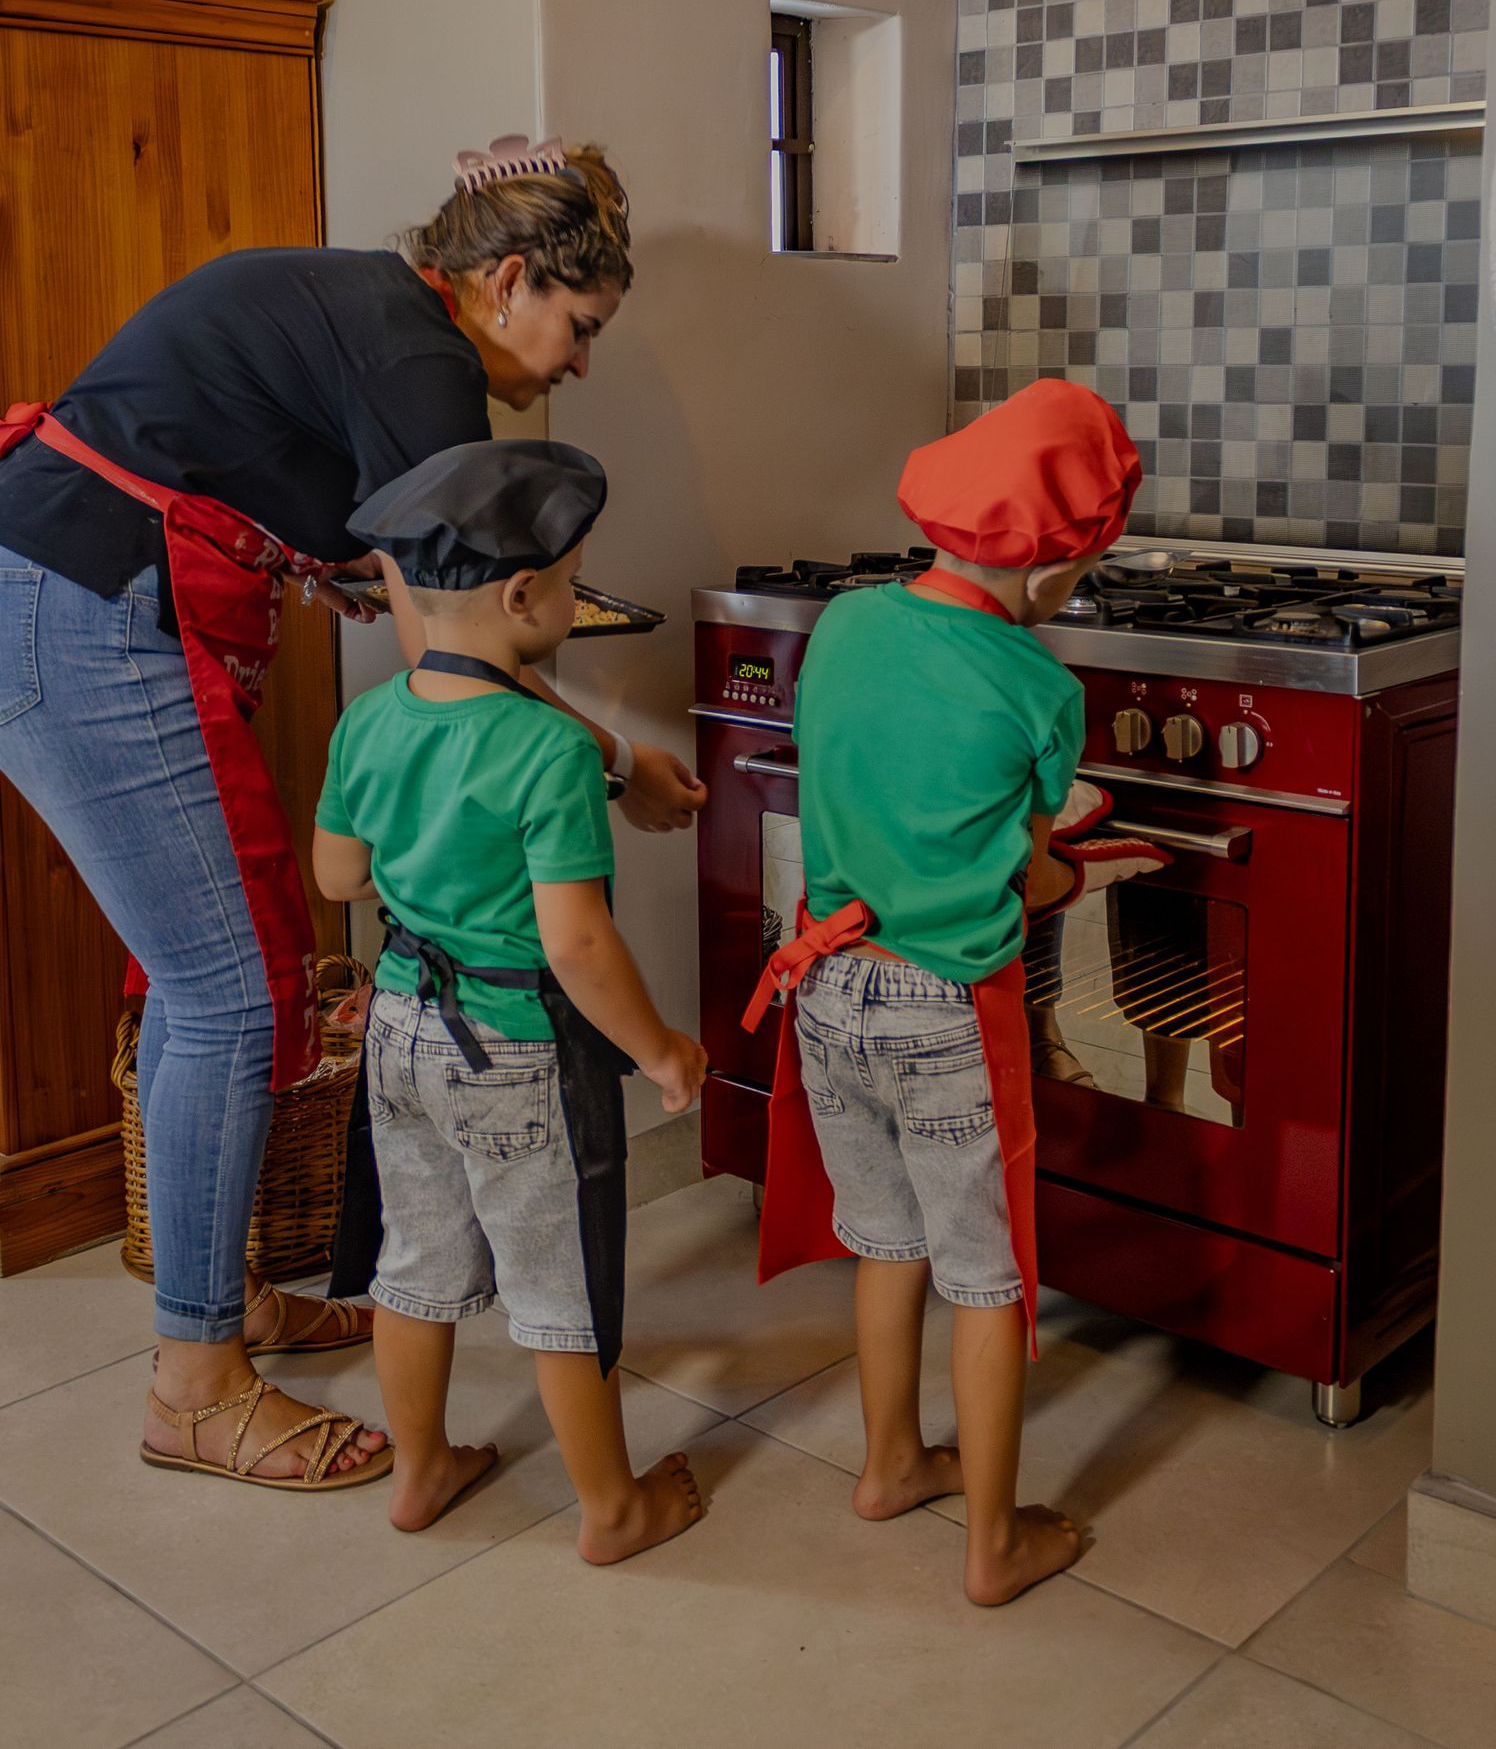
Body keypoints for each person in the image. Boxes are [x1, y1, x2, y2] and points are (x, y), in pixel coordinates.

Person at [0, 134, 702, 1491]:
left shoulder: (376, 321)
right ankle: (194, 1385)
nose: (578, 361)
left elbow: (412, 593)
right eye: (580, 323)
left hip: (56, 592)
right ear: (504, 280)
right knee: (224, 994)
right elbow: (472, 637)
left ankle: (234, 1300)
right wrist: (619, 767)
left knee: (223, 980)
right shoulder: (422, 360)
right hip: (81, 606)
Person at [741, 380, 1166, 1605]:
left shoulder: (846, 626)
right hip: (944, 1014)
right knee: (987, 1272)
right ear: (1046, 571)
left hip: (826, 983)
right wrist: (1069, 870)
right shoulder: (1037, 685)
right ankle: (993, 1544)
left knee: (885, 1241)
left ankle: (887, 1466)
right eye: (1081, 568)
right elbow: (1022, 868)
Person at [313, 438, 708, 1550]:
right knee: (558, 1283)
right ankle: (612, 1509)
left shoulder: (371, 718)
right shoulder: (547, 750)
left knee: (414, 1261)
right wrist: (662, 1052)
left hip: (398, 1025)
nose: (576, 600)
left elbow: (339, 878)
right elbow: (577, 945)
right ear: (526, 595)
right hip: (512, 1046)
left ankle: (422, 1468)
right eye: (576, 583)